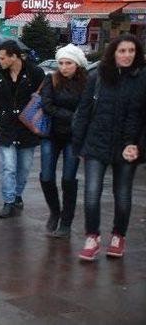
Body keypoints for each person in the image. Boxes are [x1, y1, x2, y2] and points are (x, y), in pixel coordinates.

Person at [72, 34, 145, 261]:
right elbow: (83, 112)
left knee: (122, 197)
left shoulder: (143, 78)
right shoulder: (97, 76)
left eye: (131, 51)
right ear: (113, 53)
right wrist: (79, 146)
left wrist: (139, 146)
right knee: (92, 194)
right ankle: (92, 237)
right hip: (96, 144)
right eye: (122, 51)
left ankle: (118, 236)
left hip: (128, 147)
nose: (127, 55)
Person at [0, 40, 44, 218]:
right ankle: (8, 201)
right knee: (9, 167)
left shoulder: (35, 73)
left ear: (14, 57)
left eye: (2, 58)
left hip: (28, 127)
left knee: (24, 168)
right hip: (7, 127)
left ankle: (18, 194)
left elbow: (44, 99)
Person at [39, 44, 88, 238]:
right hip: (51, 134)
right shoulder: (51, 78)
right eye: (61, 63)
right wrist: (72, 116)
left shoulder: (86, 81)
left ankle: (66, 222)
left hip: (73, 138)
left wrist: (75, 119)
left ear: (76, 64)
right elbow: (46, 104)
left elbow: (87, 107)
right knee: (46, 177)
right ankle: (54, 211)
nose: (64, 67)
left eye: (68, 63)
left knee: (68, 179)